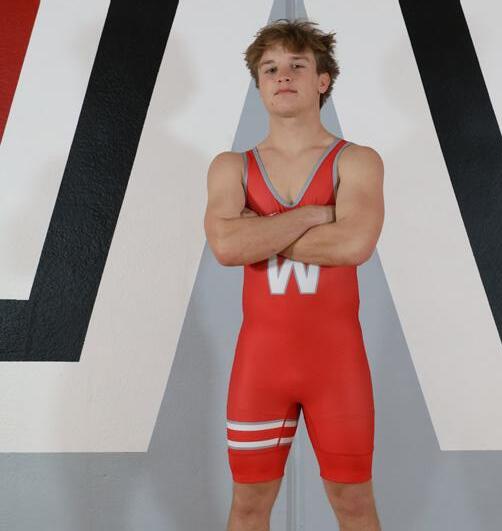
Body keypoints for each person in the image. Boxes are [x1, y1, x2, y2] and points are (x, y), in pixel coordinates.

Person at [204, 18, 385, 531]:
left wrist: (259, 231)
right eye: (270, 69)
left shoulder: (357, 161)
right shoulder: (231, 167)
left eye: (296, 66)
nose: (282, 76)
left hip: (337, 367)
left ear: (323, 80)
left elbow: (353, 244)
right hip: (260, 368)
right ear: (259, 85)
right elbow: (225, 246)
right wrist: (313, 215)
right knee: (248, 507)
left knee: (354, 505)